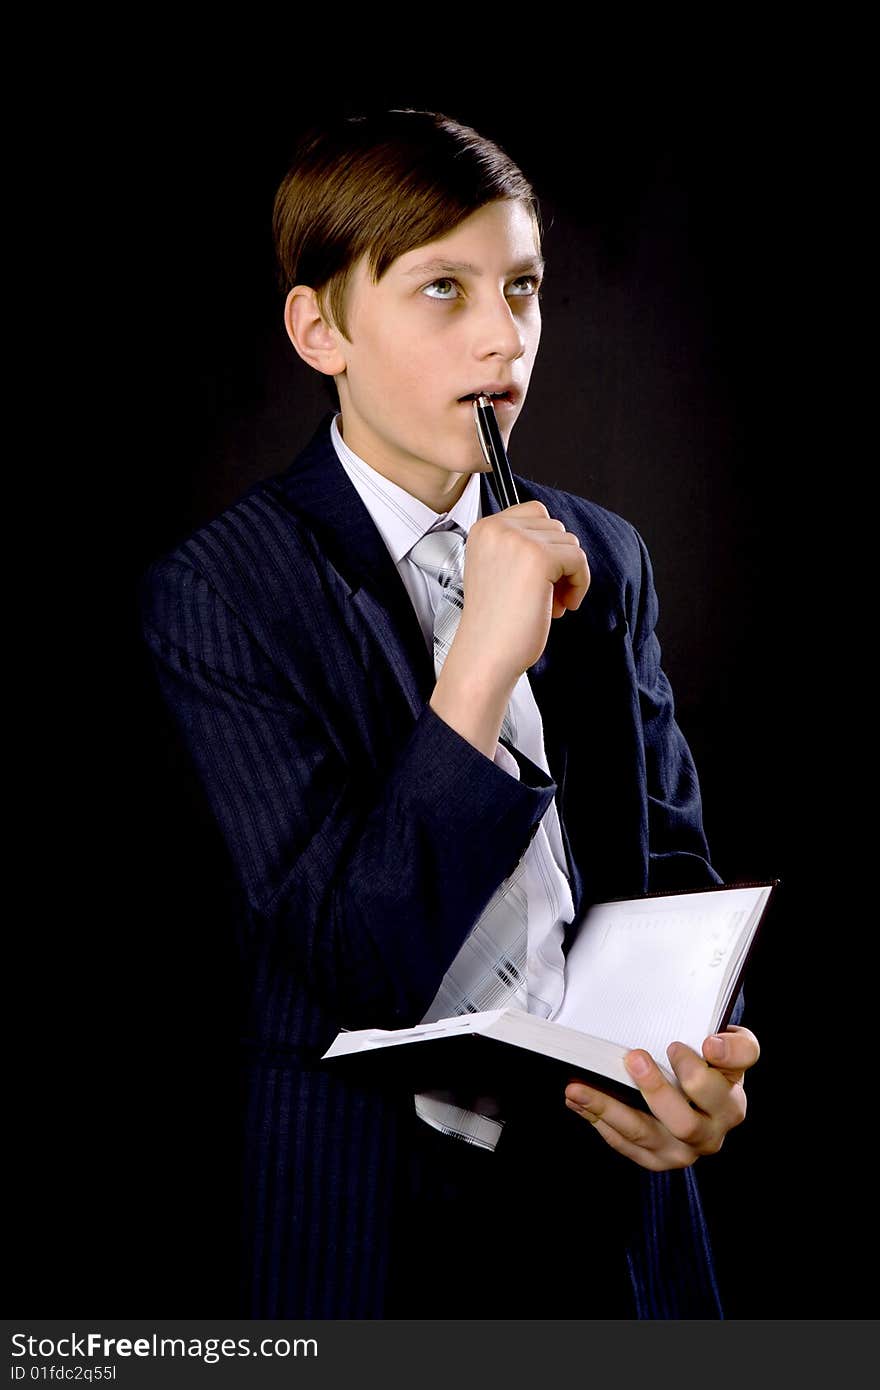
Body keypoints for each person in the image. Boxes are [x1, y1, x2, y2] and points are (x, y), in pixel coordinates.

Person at [138, 107, 760, 1319]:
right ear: (321, 328)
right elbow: (349, 957)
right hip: (372, 1227)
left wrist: (702, 1062)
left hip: (606, 1218)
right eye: (442, 290)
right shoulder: (218, 591)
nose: (500, 337)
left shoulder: (607, 556)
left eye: (521, 288)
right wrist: (475, 671)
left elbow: (670, 871)